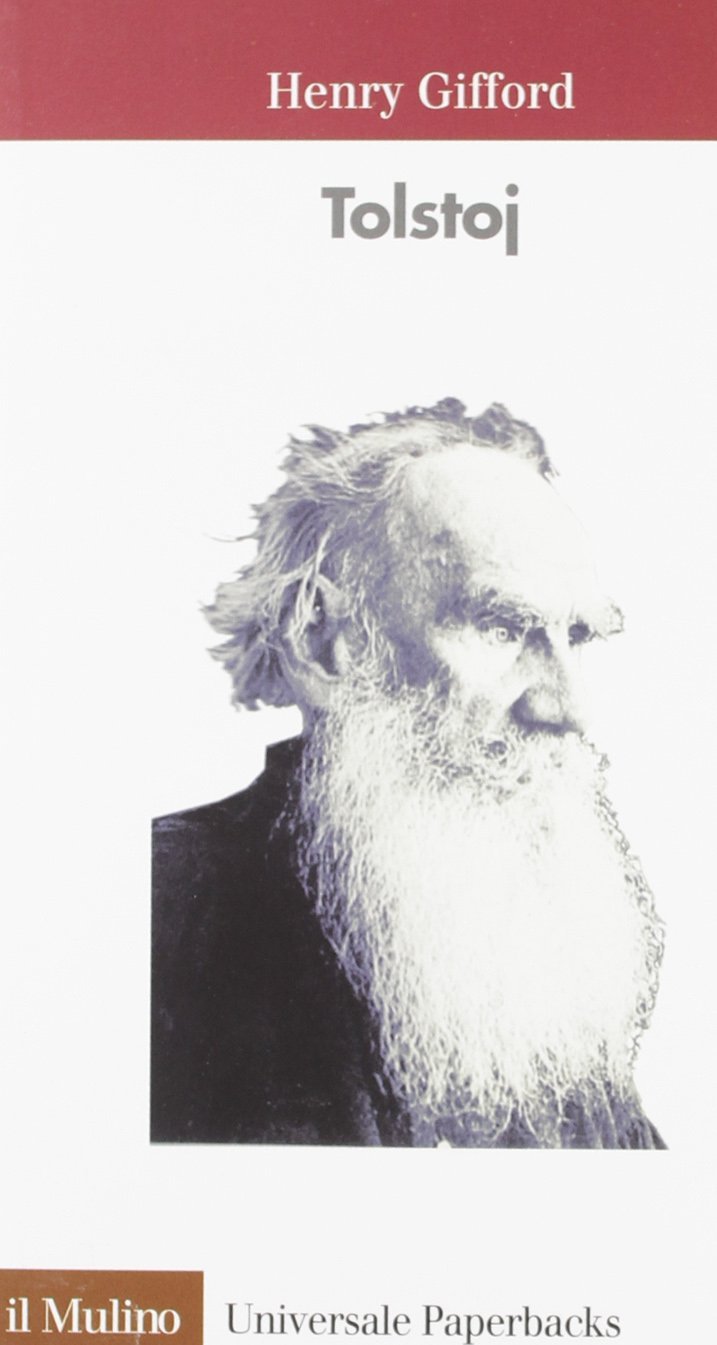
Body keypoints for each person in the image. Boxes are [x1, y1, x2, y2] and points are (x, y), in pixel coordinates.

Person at [151, 398, 665, 1148]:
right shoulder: (161, 912)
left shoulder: (542, 980)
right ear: (323, 643)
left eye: (577, 636)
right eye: (500, 626)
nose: (567, 708)